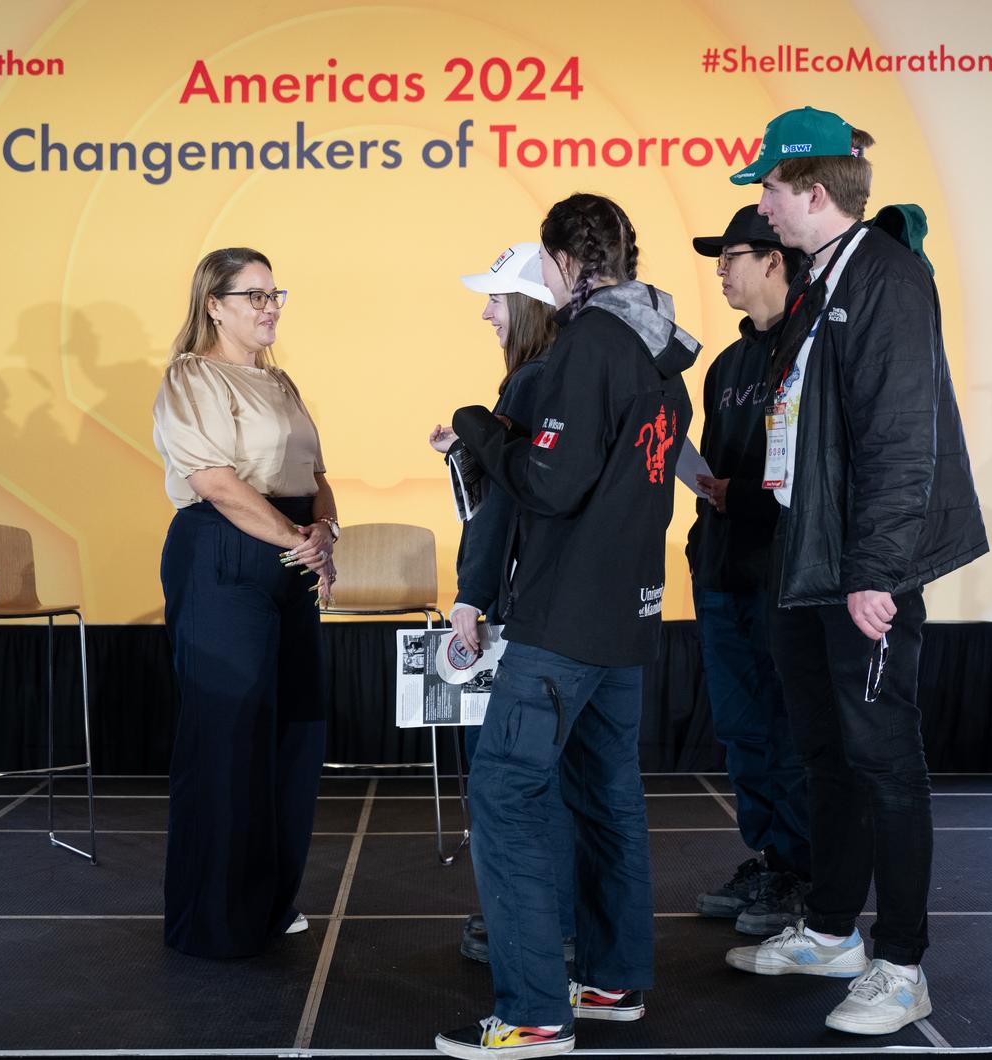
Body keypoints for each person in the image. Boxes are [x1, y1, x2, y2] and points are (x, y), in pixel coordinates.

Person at [721, 107, 988, 1035]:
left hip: (861, 571)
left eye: (767, 190)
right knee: (827, 752)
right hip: (812, 561)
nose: (759, 207)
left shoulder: (885, 276)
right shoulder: (820, 282)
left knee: (884, 759)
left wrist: (876, 572)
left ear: (813, 193)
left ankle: (904, 962)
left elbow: (901, 436)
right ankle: (834, 929)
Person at [433, 194, 699, 1059]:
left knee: (505, 797)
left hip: (566, 619)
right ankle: (614, 982)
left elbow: (548, 487)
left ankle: (537, 1015)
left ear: (558, 263)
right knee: (606, 797)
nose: (487, 309)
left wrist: (480, 431)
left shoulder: (588, 347)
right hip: (629, 614)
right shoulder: (659, 348)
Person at [152, 247, 339, 958]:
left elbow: (315, 474)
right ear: (215, 304)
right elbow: (219, 485)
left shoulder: (280, 381)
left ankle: (267, 902)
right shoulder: (190, 378)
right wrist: (299, 538)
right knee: (227, 741)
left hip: (289, 555)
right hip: (223, 556)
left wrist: (323, 533)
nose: (270, 307)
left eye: (274, 293)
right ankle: (214, 920)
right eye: (254, 295)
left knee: (294, 736)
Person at [427, 243, 575, 966]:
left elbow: (505, 509)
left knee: (504, 782)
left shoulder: (528, 385)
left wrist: (470, 597)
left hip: (532, 616)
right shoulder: (585, 375)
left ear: (530, 303)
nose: (486, 311)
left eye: (496, 298)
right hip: (588, 613)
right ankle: (573, 932)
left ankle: (530, 936)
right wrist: (469, 451)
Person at [686, 206, 811, 935]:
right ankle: (771, 857)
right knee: (740, 728)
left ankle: (805, 870)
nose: (722, 271)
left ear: (772, 258)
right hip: (724, 567)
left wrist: (753, 498)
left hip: (786, 572)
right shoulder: (727, 365)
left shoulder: (810, 347)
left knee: (789, 725)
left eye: (730, 256)